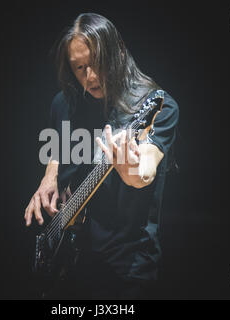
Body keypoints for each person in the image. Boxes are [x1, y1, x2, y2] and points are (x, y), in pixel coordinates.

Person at [24, 13, 179, 299]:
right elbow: (57, 141)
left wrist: (129, 169)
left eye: (97, 62)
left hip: (125, 269)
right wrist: (50, 175)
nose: (90, 76)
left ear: (118, 51)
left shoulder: (156, 107)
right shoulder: (65, 101)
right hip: (71, 263)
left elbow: (145, 171)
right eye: (79, 67)